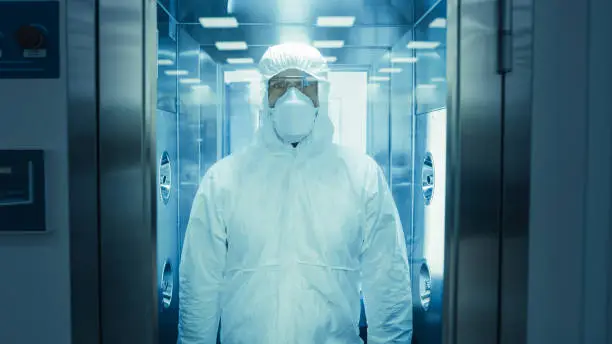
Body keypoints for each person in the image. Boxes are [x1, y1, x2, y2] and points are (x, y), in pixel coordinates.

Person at [178, 42, 413, 344]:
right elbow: (199, 285)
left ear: (322, 94)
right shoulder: (225, 180)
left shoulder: (361, 176)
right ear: (264, 96)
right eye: (280, 86)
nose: (293, 97)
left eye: (304, 85)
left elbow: (388, 281)